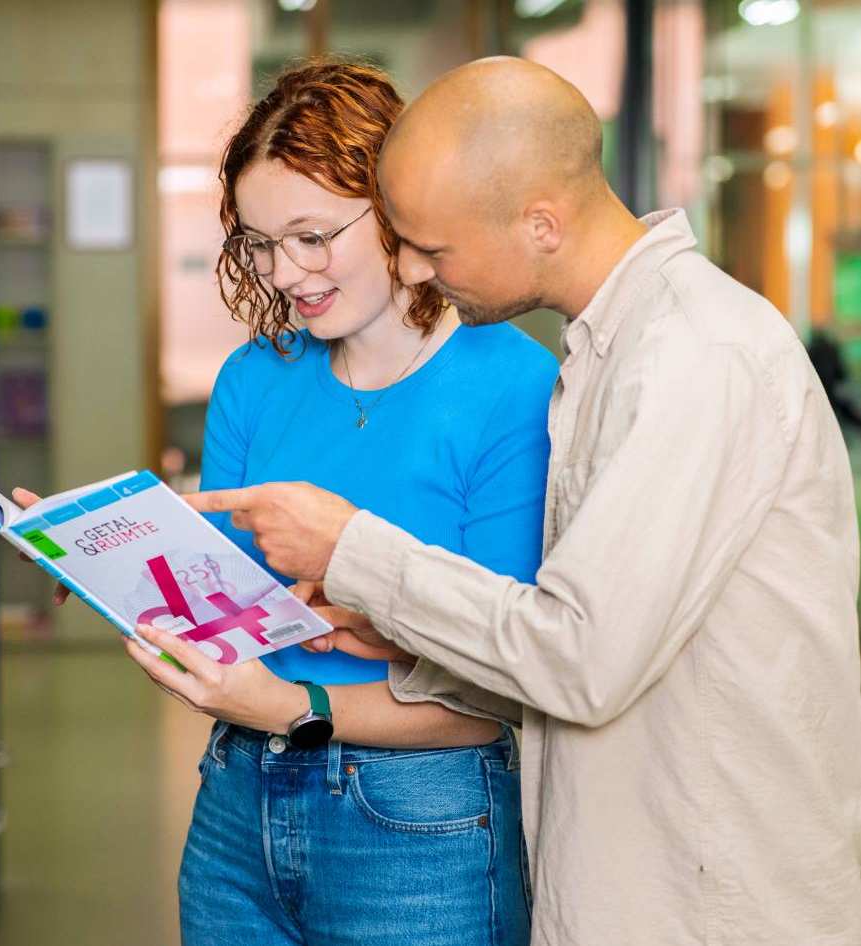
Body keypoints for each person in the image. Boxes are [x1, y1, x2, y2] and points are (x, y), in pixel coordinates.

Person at [169, 57, 861, 946]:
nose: (413, 264)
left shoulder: (692, 355)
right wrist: (394, 635)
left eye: (434, 243)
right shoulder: (613, 353)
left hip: (708, 889)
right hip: (638, 866)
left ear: (538, 222)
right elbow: (569, 642)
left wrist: (354, 553)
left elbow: (580, 655)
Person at [110, 60, 558, 946]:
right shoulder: (253, 377)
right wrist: (105, 555)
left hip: (417, 822)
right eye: (262, 243)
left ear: (394, 207)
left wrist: (292, 707)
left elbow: (507, 684)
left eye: (313, 236)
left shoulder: (516, 389)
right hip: (238, 796)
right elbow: (229, 611)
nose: (286, 274)